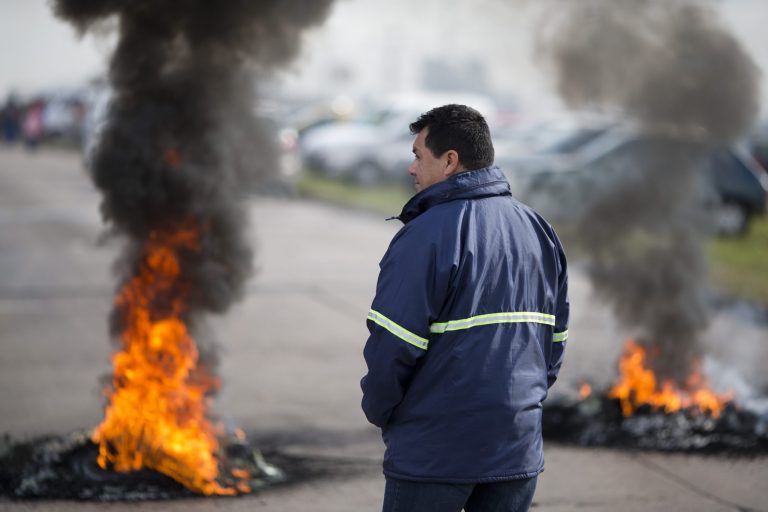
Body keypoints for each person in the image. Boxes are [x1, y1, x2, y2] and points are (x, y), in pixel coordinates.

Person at [360, 104, 569, 512]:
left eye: (419, 155)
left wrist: (382, 411)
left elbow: (392, 346)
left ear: (450, 161)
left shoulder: (425, 236)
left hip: (435, 452)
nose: (411, 168)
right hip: (516, 450)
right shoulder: (539, 230)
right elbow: (554, 341)